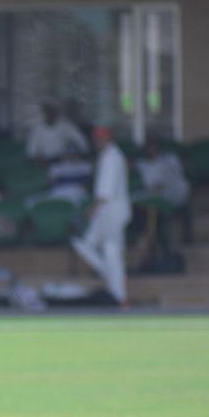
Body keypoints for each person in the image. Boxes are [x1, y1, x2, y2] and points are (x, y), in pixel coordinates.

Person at [71, 127, 132, 306]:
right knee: (84, 244)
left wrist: (93, 209)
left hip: (113, 212)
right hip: (106, 212)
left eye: (101, 138)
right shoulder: (106, 155)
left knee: (111, 250)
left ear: (108, 138)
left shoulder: (113, 157)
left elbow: (106, 193)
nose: (98, 141)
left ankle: (120, 295)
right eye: (97, 138)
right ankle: (113, 276)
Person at [135, 135, 191, 248]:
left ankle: (187, 238)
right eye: (149, 147)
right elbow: (129, 164)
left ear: (159, 148)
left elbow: (184, 167)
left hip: (176, 193)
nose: (152, 150)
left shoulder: (170, 159)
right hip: (156, 197)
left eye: (154, 146)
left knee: (182, 204)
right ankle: (154, 241)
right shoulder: (144, 164)